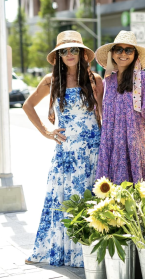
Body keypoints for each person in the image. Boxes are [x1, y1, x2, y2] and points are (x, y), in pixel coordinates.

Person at [22, 31, 103, 266]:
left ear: (81, 54)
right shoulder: (51, 81)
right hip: (67, 154)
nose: (69, 54)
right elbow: (27, 106)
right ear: (58, 56)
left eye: (74, 49)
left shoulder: (94, 80)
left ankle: (88, 253)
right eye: (64, 50)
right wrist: (46, 132)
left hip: (92, 151)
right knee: (65, 200)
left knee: (90, 200)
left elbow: (104, 115)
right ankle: (68, 253)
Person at [94, 30, 145, 186]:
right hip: (112, 143)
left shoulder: (143, 79)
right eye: (118, 49)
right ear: (112, 54)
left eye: (128, 50)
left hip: (135, 142)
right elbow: (104, 110)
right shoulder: (108, 81)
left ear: (135, 55)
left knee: (139, 193)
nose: (123, 54)